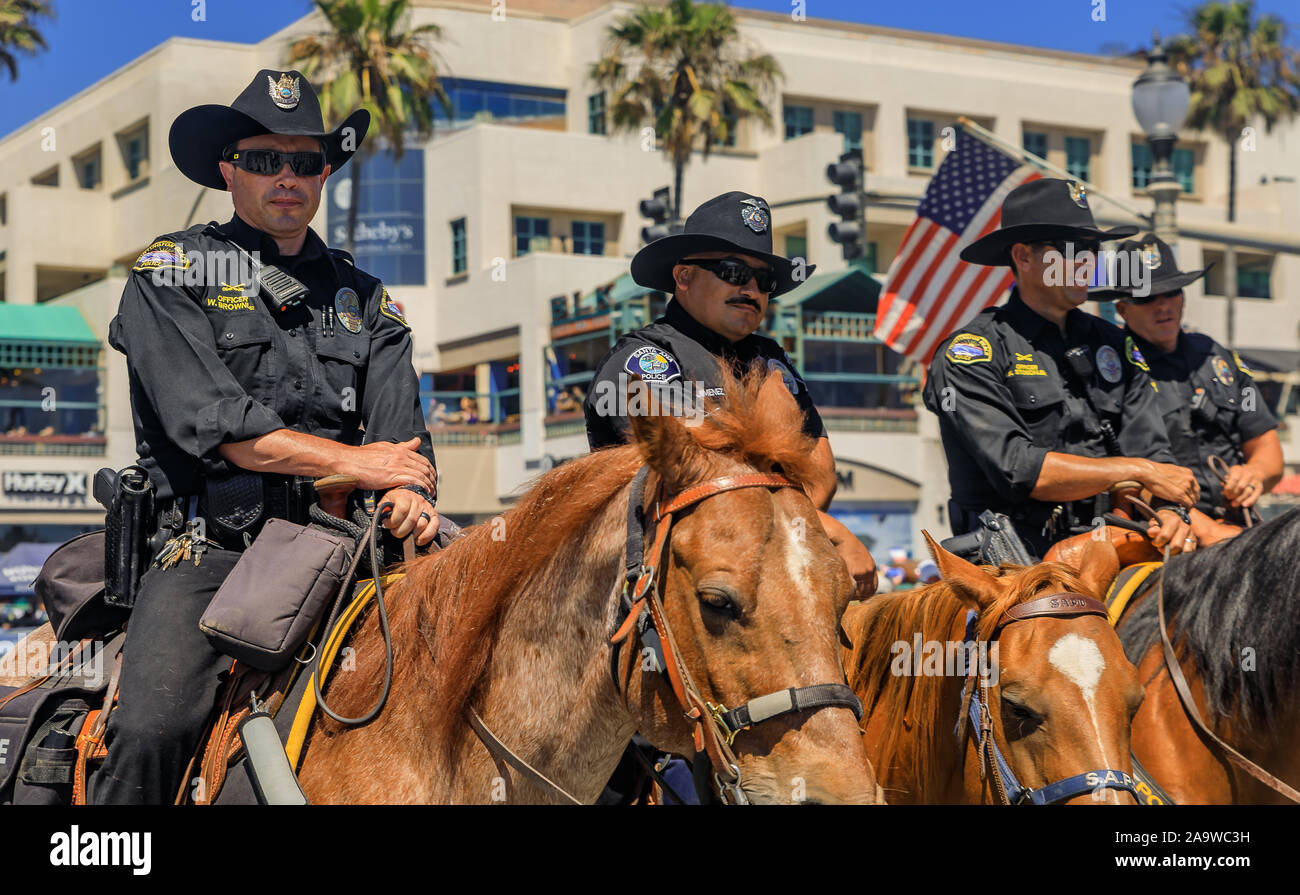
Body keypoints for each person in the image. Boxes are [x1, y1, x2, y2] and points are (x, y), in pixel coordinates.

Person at [96, 69, 440, 805]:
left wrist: (411, 492)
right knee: (151, 729)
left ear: (323, 174)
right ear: (228, 170)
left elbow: (403, 442)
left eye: (305, 162)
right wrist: (364, 462)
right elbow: (223, 430)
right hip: (217, 553)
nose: (287, 177)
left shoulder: (368, 299)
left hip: (353, 550)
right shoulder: (173, 272)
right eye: (263, 160)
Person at [583, 190, 876, 597]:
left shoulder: (770, 360)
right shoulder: (641, 359)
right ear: (684, 277)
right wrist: (822, 529)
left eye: (765, 280)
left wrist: (796, 527)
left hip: (760, 579)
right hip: (652, 596)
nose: (752, 289)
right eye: (735, 272)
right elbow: (696, 477)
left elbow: (820, 476)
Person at [923, 178, 1198, 561]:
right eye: (1073, 250)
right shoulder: (973, 353)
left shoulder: (1116, 345)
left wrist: (1169, 511)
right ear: (1022, 257)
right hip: (1013, 565)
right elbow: (1020, 469)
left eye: (1093, 249)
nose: (1088, 261)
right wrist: (1139, 470)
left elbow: (1154, 452)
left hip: (1112, 548)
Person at [1091, 234, 1282, 534]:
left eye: (1171, 292)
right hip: (1160, 532)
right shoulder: (1111, 370)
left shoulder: (1219, 357)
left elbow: (1266, 444)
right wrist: (1208, 533)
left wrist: (1254, 473)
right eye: (1146, 297)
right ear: (1122, 309)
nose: (1163, 305)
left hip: (1239, 528)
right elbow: (1122, 475)